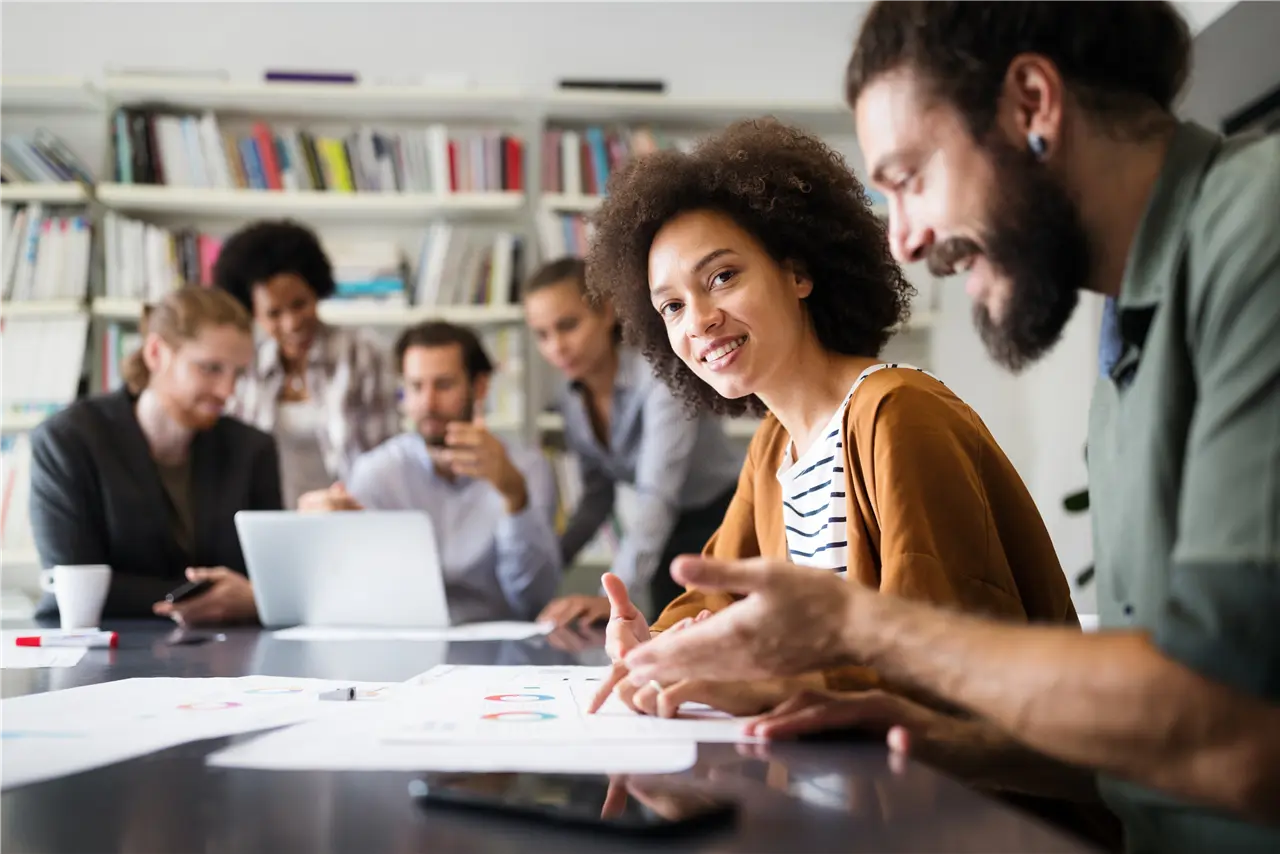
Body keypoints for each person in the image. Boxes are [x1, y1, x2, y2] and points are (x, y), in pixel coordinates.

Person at [619, 1, 1280, 851]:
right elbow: (1155, 750)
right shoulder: (1132, 338)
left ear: (1034, 104)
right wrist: (937, 741)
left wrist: (847, 633)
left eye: (909, 176)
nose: (906, 238)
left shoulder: (1255, 237)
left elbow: (1229, 730)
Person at [584, 118, 1081, 722]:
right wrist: (659, 647)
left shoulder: (898, 414)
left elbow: (944, 653)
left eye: (722, 276)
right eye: (672, 305)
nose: (699, 320)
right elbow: (715, 600)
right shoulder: (775, 448)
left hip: (979, 803)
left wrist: (771, 682)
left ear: (798, 273)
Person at [28, 285, 281, 625]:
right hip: (105, 647)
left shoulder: (252, 450)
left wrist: (256, 595)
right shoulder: (68, 441)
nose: (227, 391)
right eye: (210, 368)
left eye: (237, 373)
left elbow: (268, 578)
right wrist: (232, 596)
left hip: (226, 654)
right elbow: (75, 582)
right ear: (156, 354)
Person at [523, 257, 743, 627]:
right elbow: (597, 498)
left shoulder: (661, 376)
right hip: (666, 531)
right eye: (542, 335)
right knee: (666, 639)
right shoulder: (570, 398)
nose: (556, 347)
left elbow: (657, 493)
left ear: (606, 312)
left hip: (722, 522)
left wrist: (610, 599)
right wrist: (547, 567)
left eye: (568, 325)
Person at [298, 321, 560, 624]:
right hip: (404, 643)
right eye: (415, 386)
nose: (428, 403)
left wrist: (515, 495)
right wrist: (321, 534)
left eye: (444, 385)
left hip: (500, 648)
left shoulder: (525, 468)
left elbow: (534, 601)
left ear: (480, 387)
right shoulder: (378, 472)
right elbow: (351, 589)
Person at [215, 220, 398, 509]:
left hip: (351, 515)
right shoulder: (244, 366)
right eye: (274, 313)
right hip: (270, 516)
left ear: (317, 290)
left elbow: (385, 456)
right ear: (252, 313)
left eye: (299, 304)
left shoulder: (363, 355)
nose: (291, 323)